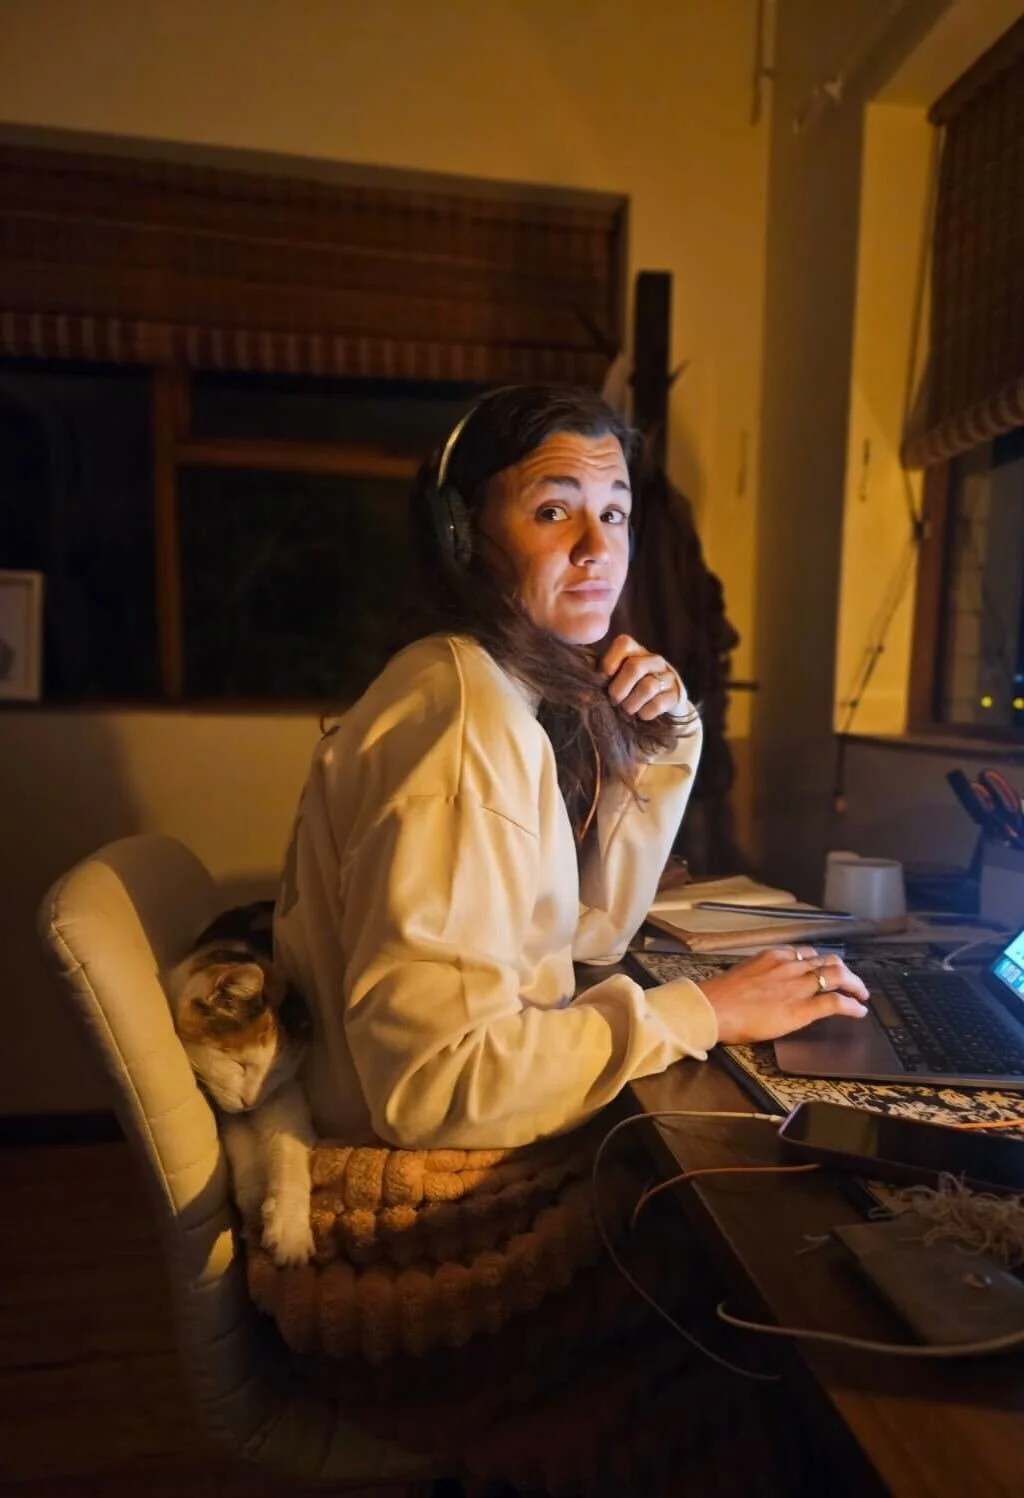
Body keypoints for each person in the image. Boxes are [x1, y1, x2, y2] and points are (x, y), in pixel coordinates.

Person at [274, 384, 868, 1150]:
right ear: (462, 535)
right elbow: (437, 1087)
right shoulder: (466, 726)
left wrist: (659, 739)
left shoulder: (477, 684)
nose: (597, 548)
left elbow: (585, 937)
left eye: (614, 513)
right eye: (554, 511)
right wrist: (706, 1011)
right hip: (431, 1175)